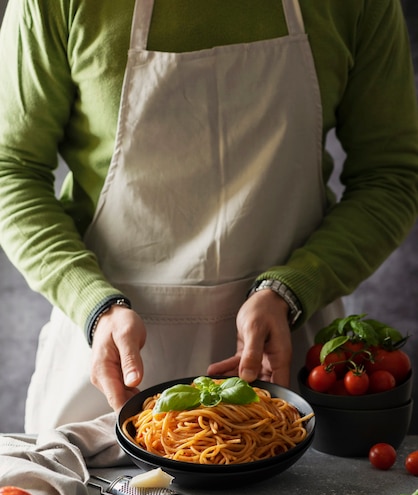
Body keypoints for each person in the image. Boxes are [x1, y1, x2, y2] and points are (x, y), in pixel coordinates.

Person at [0, 0, 417, 433]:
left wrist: (291, 290)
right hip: (106, 370)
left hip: (286, 364)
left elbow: (390, 176)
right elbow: (11, 169)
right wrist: (93, 304)